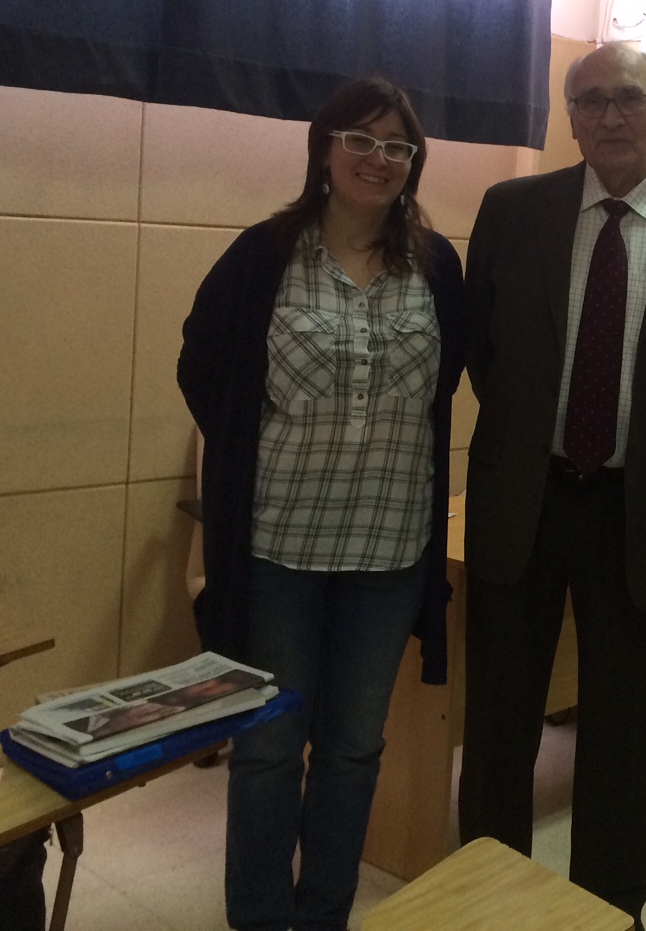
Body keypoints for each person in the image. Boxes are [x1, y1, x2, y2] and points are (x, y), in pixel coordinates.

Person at [457, 43, 646, 926]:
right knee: (501, 724)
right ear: (570, 115)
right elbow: (486, 352)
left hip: (642, 513)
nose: (610, 116)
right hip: (524, 502)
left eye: (630, 98)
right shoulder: (512, 211)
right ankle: (487, 899)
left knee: (624, 735)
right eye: (589, 102)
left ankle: (606, 907)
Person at [178, 77, 464, 931]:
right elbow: (202, 364)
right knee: (267, 747)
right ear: (325, 149)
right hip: (278, 549)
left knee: (351, 750)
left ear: (414, 164)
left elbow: (442, 387)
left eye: (398, 147)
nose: (379, 161)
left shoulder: (437, 265)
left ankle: (323, 916)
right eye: (362, 141)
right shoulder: (266, 254)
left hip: (388, 552)